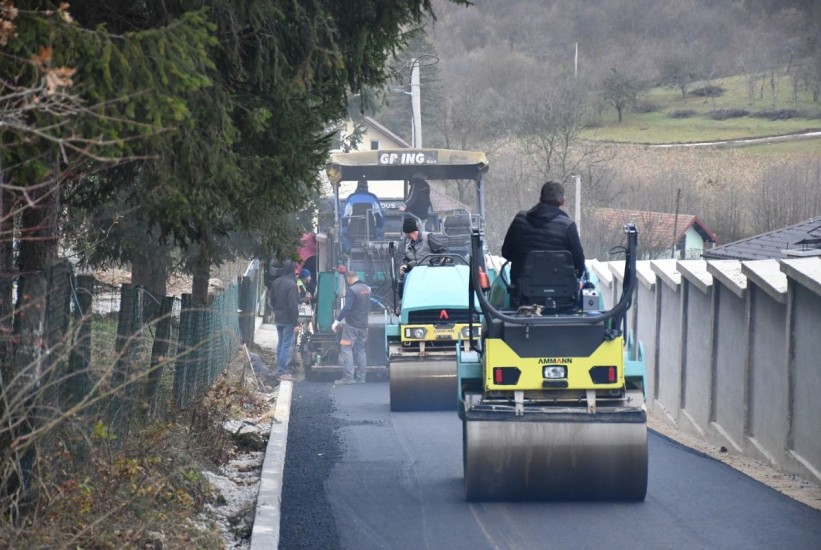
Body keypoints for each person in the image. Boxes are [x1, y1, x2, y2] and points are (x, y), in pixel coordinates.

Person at [501, 180, 586, 290]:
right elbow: (579, 265)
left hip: (522, 296)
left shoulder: (519, 220)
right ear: (562, 201)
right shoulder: (568, 227)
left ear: (540, 198)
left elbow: (506, 253)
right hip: (561, 297)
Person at [331, 271, 371, 385]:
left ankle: (348, 377)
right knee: (361, 350)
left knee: (346, 348)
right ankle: (361, 378)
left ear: (349, 279)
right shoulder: (367, 289)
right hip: (364, 325)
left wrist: (336, 322)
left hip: (352, 326)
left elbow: (347, 308)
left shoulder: (352, 290)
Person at [269, 259, 300, 381]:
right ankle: (282, 372)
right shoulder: (292, 285)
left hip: (278, 318)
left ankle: (279, 369)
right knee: (286, 345)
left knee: (281, 344)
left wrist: (277, 311)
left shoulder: (275, 282)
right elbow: (293, 306)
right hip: (288, 320)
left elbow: (271, 301)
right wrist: (295, 322)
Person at [340, 177, 384, 252]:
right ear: (367, 186)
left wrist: (345, 226)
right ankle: (377, 251)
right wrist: (379, 226)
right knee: (381, 232)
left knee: (341, 232)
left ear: (357, 186)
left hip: (353, 230)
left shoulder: (351, 198)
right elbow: (379, 216)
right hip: (371, 230)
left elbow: (344, 216)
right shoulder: (373, 197)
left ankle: (349, 250)